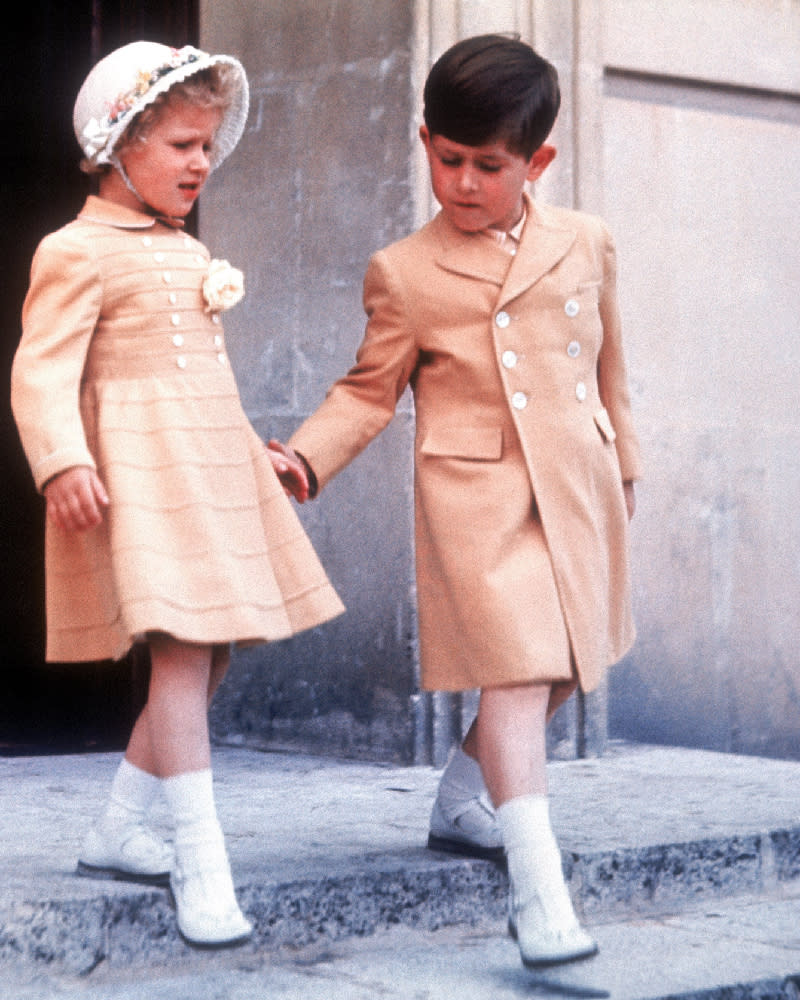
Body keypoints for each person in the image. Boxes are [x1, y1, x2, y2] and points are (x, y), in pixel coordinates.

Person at [271, 34, 642, 967]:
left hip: (579, 485)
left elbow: (611, 368)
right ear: (423, 141)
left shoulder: (587, 240)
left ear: (537, 162)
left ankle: (460, 799)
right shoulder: (406, 269)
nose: (466, 183)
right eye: (448, 160)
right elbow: (367, 390)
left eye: (490, 166)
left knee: (565, 667)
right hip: (477, 499)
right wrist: (305, 461)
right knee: (517, 676)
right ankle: (538, 889)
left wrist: (624, 463)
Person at [10, 41, 343, 949]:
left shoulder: (182, 247)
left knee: (212, 656)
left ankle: (120, 826)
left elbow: (200, 379)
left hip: (205, 467)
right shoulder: (73, 250)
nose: (202, 162)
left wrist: (250, 457)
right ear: (119, 146)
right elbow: (41, 372)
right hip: (143, 474)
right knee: (185, 657)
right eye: (181, 146)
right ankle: (201, 860)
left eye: (207, 146)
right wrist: (62, 459)